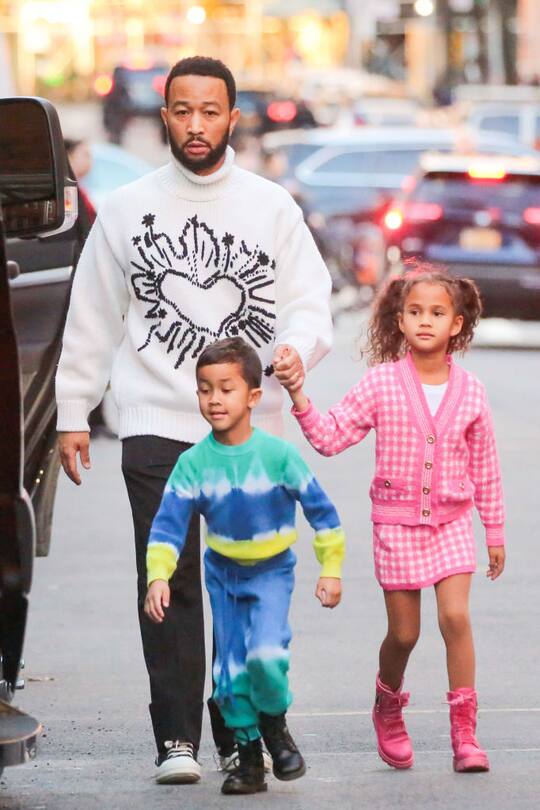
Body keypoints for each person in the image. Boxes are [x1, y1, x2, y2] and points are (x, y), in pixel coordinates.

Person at [55, 56, 333, 784]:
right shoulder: (124, 209)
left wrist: (297, 350)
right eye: (183, 110)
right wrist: (72, 410)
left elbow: (309, 301)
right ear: (164, 116)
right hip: (153, 422)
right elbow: (92, 316)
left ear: (232, 117)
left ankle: (239, 732)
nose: (197, 125)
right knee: (168, 578)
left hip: (245, 433)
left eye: (211, 111)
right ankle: (176, 736)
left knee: (240, 584)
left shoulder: (270, 207)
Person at [278, 266, 506, 774]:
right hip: (397, 526)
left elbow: (486, 468)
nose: (425, 321)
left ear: (457, 324)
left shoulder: (470, 392)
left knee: (455, 617)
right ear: (399, 321)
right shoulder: (381, 383)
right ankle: (388, 703)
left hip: (451, 523)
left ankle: (464, 733)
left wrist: (493, 531)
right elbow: (331, 436)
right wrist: (299, 397)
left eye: (437, 313)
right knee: (404, 635)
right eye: (415, 312)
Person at [144, 336, 344, 794]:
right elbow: (167, 526)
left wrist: (330, 568)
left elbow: (323, 514)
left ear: (253, 397)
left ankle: (275, 725)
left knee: (267, 658)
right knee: (228, 677)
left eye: (226, 388)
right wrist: (158, 576)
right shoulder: (193, 464)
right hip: (225, 576)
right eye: (205, 388)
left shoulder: (277, 456)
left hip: (271, 572)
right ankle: (250, 760)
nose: (214, 399)